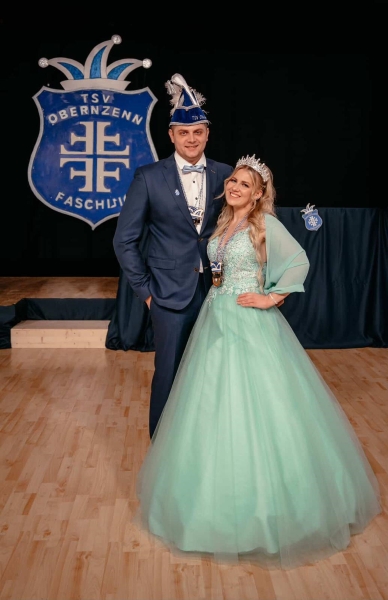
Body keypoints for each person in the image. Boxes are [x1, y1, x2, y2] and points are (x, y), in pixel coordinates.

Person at [134, 155, 381, 570]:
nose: (234, 187)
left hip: (248, 321)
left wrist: (272, 297)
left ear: (259, 193)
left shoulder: (264, 224)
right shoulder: (222, 223)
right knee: (210, 402)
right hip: (216, 318)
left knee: (261, 404)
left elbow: (299, 261)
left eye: (244, 184)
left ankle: (273, 512)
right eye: (232, 180)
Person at [113, 73, 233, 438]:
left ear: (207, 134)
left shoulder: (227, 175)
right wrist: (146, 292)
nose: (191, 138)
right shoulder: (148, 177)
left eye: (197, 131)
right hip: (167, 295)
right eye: (184, 132)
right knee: (167, 375)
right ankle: (162, 453)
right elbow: (124, 240)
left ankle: (205, 446)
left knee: (214, 374)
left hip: (217, 294)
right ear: (171, 136)